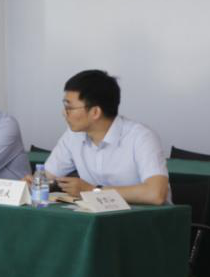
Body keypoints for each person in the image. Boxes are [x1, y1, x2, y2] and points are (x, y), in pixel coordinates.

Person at [41, 69, 170, 205]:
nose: (64, 113)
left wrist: (93, 191)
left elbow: (155, 194)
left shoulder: (141, 137)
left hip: (145, 216)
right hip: (98, 214)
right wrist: (34, 182)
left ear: (95, 112)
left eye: (69, 108)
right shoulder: (73, 136)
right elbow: (46, 177)